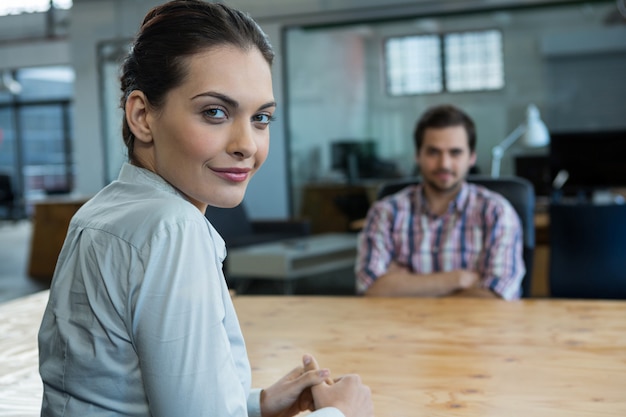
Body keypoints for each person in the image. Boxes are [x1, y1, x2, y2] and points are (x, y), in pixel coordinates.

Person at [37, 1, 373, 416]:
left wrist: (257, 405)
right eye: (215, 112)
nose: (246, 144)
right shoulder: (173, 229)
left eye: (261, 118)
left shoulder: (102, 212)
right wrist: (342, 413)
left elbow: (118, 395)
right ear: (142, 116)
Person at [355, 104, 524, 300]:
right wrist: (459, 279)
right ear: (417, 156)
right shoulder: (385, 213)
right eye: (433, 152)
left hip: (477, 329)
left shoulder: (497, 212)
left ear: (471, 157)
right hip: (401, 329)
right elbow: (371, 288)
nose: (444, 164)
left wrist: (406, 284)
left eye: (455, 152)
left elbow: (496, 296)